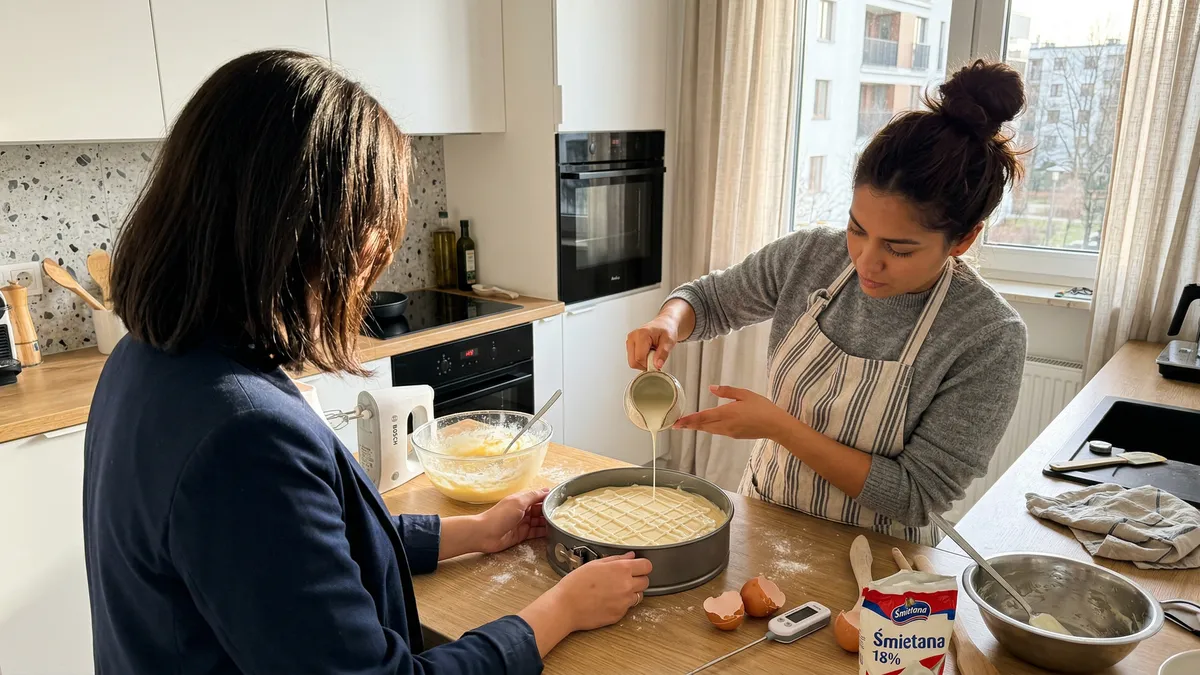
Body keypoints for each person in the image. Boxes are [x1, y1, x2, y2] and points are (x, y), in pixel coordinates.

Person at [84, 50, 650, 675]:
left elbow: (308, 553)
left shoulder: (146, 361)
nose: (365, 278)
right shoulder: (241, 438)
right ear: (301, 237)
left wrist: (479, 531)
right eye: (368, 245)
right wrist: (558, 610)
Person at [627, 60, 1029, 544]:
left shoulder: (987, 335)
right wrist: (669, 320)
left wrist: (780, 427)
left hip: (878, 564)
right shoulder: (813, 255)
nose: (866, 262)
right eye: (858, 229)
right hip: (763, 518)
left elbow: (917, 495)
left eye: (899, 249)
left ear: (963, 239)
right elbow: (710, 299)